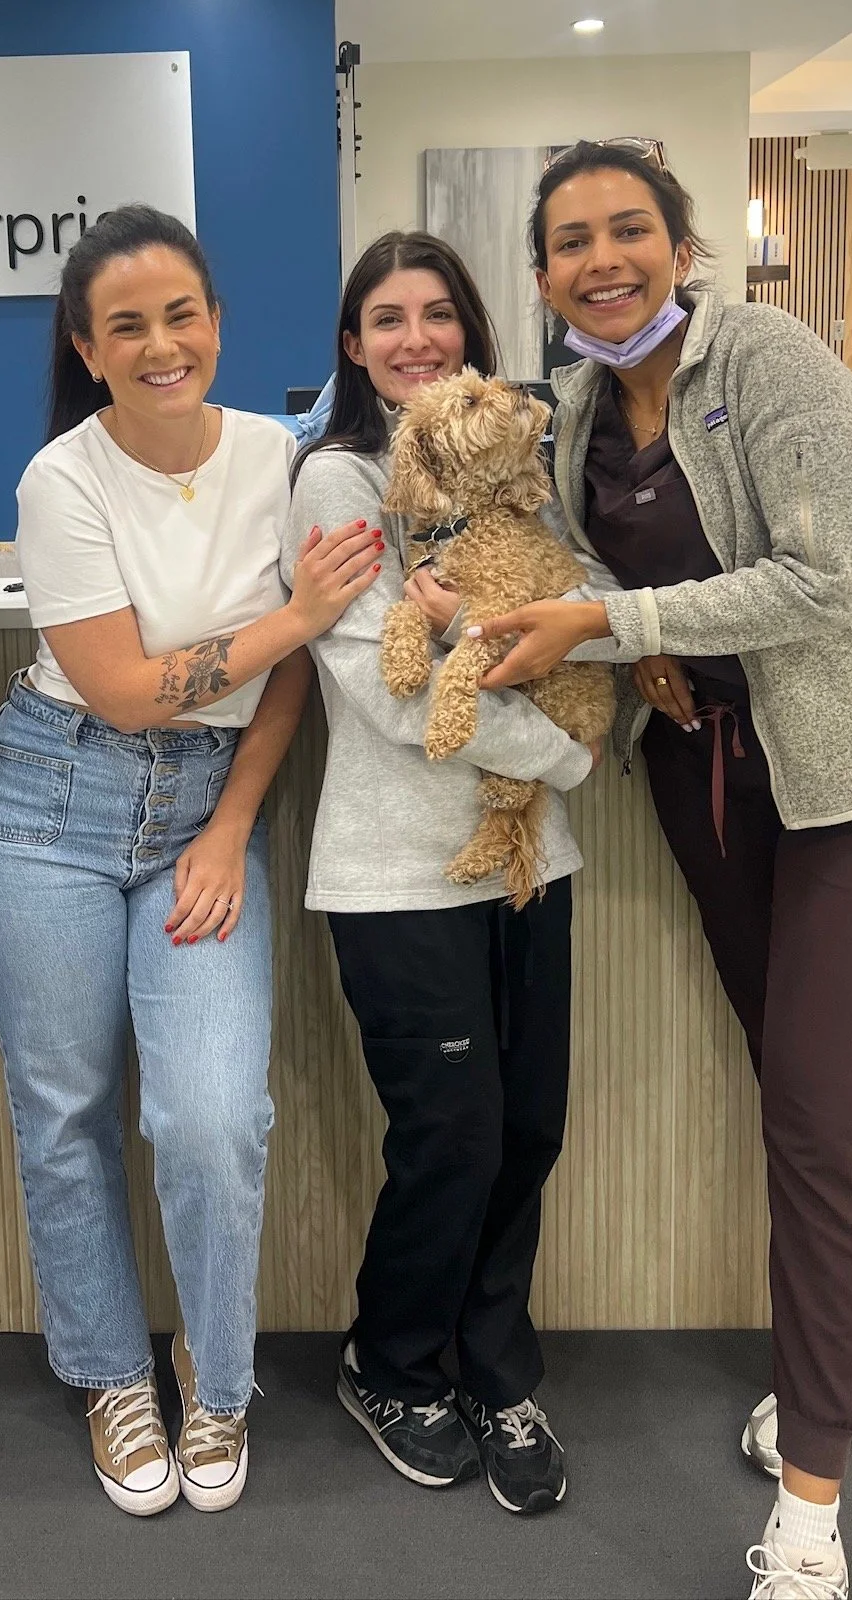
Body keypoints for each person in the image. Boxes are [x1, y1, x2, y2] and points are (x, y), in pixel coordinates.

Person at [472, 140, 852, 1598]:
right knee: (791, 1075)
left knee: (822, 1127)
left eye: (630, 230)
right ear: (545, 271)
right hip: (712, 780)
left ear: (683, 246)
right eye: (572, 242)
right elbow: (594, 562)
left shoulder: (774, 362)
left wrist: (612, 633)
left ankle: (812, 1514)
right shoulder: (570, 404)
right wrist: (633, 636)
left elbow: (822, 574)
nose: (603, 259)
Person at [0, 205, 380, 1518]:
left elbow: (295, 677)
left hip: (211, 811)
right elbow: (132, 691)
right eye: (124, 325)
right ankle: (106, 1371)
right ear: (86, 347)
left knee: (208, 1115)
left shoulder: (283, 458)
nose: (158, 344)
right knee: (66, 1108)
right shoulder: (61, 479)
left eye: (179, 315)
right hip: (48, 809)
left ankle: (217, 1369)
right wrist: (294, 615)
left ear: (217, 323)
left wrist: (236, 822)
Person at [283, 232, 605, 1518]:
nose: (416, 337)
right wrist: (573, 750)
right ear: (354, 344)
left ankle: (493, 1367)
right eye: (386, 318)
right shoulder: (338, 484)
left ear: (471, 332)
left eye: (438, 315)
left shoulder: (521, 467)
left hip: (531, 859)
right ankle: (394, 1358)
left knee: (530, 1124)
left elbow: (585, 595)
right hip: (399, 873)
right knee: (452, 1136)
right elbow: (385, 687)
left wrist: (567, 669)